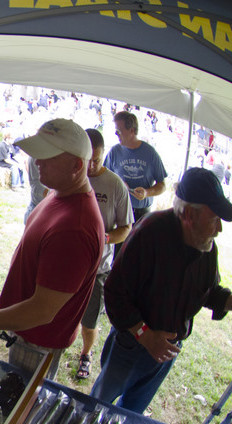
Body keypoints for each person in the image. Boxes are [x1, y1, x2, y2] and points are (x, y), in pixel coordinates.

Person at [90, 168, 232, 414]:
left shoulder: (207, 247)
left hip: (166, 351)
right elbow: (114, 293)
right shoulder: (150, 233)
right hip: (133, 343)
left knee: (131, 414)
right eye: (214, 219)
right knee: (99, 405)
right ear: (189, 214)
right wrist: (145, 335)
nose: (219, 228)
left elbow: (207, 291)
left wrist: (231, 301)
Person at [0, 118, 104, 379]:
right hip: (28, 330)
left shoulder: (74, 229)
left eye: (48, 156)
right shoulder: (58, 192)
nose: (37, 162)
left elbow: (42, 311)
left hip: (38, 339)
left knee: (21, 398)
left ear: (77, 166)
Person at [75, 129, 133, 379]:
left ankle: (86, 354)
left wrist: (104, 238)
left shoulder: (115, 185)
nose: (90, 166)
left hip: (98, 268)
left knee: (89, 321)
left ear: (103, 154)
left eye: (96, 161)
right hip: (70, 263)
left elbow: (126, 228)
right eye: (87, 159)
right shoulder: (74, 175)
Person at [104, 110, 167, 223]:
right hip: (119, 209)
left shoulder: (150, 153)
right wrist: (118, 184)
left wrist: (146, 192)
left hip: (142, 213)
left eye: (119, 131)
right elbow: (104, 176)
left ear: (132, 131)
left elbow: (162, 185)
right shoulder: (114, 151)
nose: (116, 134)